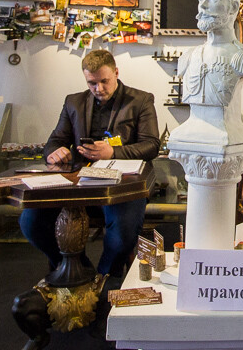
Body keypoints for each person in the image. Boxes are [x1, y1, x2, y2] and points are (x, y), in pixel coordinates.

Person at [19, 49, 160, 276]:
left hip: (123, 184)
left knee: (122, 234)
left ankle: (104, 278)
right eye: (92, 83)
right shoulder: (73, 102)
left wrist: (112, 152)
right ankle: (77, 269)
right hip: (78, 183)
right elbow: (55, 141)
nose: (99, 89)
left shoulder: (141, 100)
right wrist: (54, 152)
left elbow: (151, 145)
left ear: (116, 73)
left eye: (104, 81)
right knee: (31, 222)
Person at [171, 0, 243, 145]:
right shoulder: (188, 57)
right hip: (191, 138)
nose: (203, 6)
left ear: (233, 7)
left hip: (227, 139)